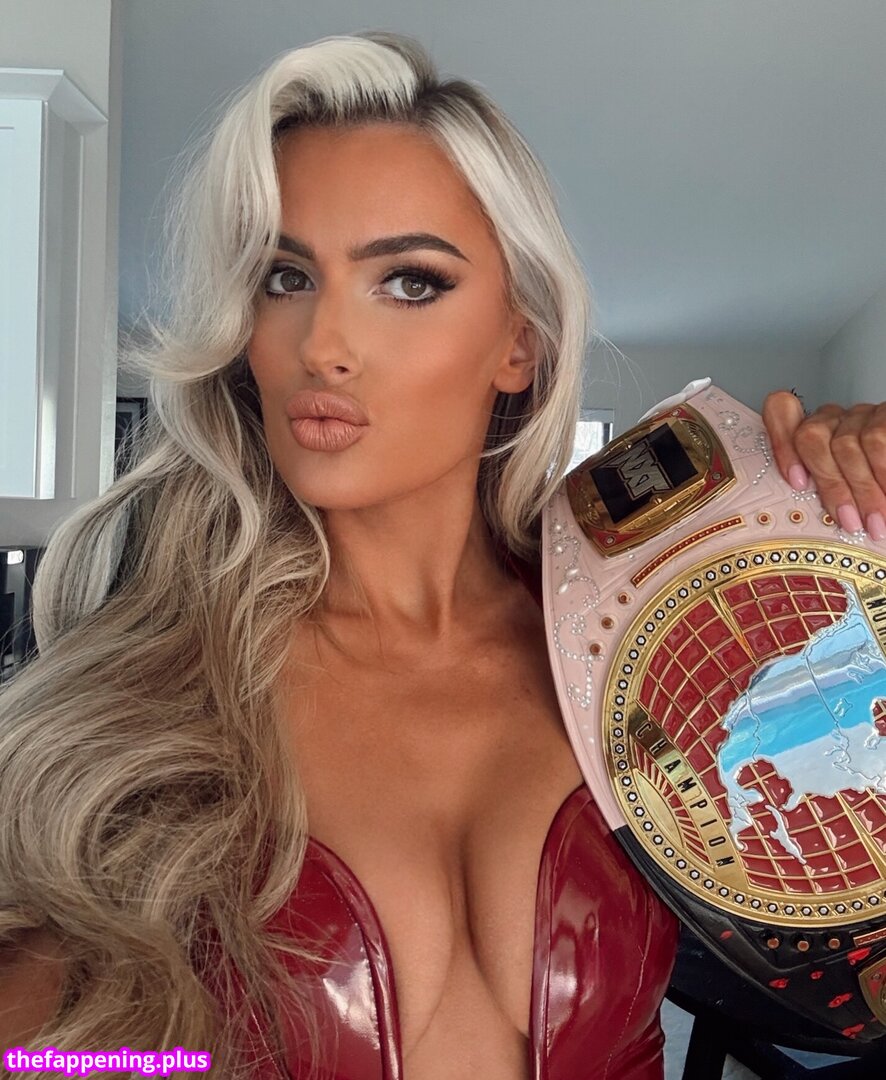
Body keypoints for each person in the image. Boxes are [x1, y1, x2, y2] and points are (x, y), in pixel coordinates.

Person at [1, 29, 885, 1080]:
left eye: (409, 282)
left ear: (519, 344)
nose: (323, 344)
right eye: (286, 277)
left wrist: (859, 511)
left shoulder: (643, 645)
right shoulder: (156, 692)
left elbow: (842, 964)